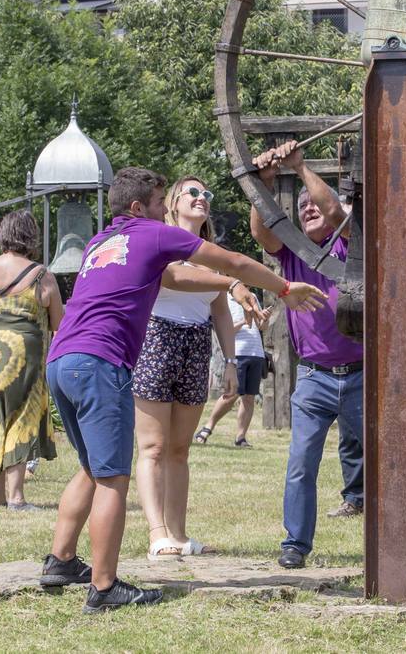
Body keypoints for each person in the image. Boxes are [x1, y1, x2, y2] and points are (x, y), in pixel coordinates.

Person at [40, 166, 325, 614]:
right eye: (158, 204)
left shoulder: (101, 242)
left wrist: (231, 286)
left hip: (61, 359)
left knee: (92, 468)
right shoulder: (153, 235)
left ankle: (59, 561)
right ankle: (105, 586)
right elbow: (229, 259)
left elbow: (174, 280)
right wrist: (283, 286)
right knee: (114, 477)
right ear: (139, 208)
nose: (163, 212)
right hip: (100, 361)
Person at [251, 140, 365, 570]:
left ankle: (396, 538)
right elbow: (262, 231)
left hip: (360, 376)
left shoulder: (350, 247)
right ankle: (295, 544)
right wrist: (262, 183)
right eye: (301, 208)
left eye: (311, 203)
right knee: (301, 464)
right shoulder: (294, 253)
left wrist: (299, 170)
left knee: (384, 461)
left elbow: (335, 212)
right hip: (314, 379)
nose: (308, 209)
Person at [132, 176, 241, 559]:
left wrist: (230, 361)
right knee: (153, 445)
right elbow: (170, 277)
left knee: (180, 449)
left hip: (197, 342)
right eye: (193, 192)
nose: (202, 198)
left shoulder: (214, 254)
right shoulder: (160, 241)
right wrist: (229, 282)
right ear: (174, 202)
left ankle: (178, 535)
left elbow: (220, 311)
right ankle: (156, 534)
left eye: (207, 194)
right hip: (158, 337)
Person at [0, 209, 62, 510]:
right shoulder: (40, 275)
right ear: (31, 236)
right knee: (21, 416)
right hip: (22, 350)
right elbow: (59, 321)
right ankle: (17, 497)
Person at [196, 294, 267, 448]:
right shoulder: (223, 298)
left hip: (256, 353)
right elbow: (221, 329)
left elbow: (262, 327)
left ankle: (241, 438)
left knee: (249, 398)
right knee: (231, 394)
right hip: (237, 353)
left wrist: (263, 319)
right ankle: (208, 427)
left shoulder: (252, 297)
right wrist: (243, 322)